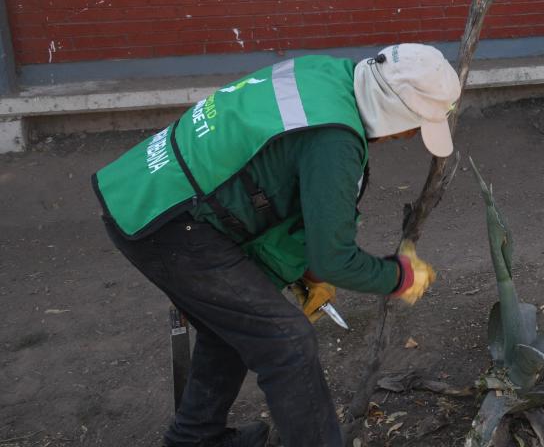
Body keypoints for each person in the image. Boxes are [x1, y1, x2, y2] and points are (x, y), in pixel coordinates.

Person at [94, 44, 459, 447]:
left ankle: (194, 439)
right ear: (392, 108)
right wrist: (399, 275)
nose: (407, 137)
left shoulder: (327, 74)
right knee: (286, 342)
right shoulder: (334, 141)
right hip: (165, 221)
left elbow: (273, 175)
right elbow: (334, 257)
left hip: (147, 185)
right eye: (413, 126)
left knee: (236, 326)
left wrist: (304, 270)